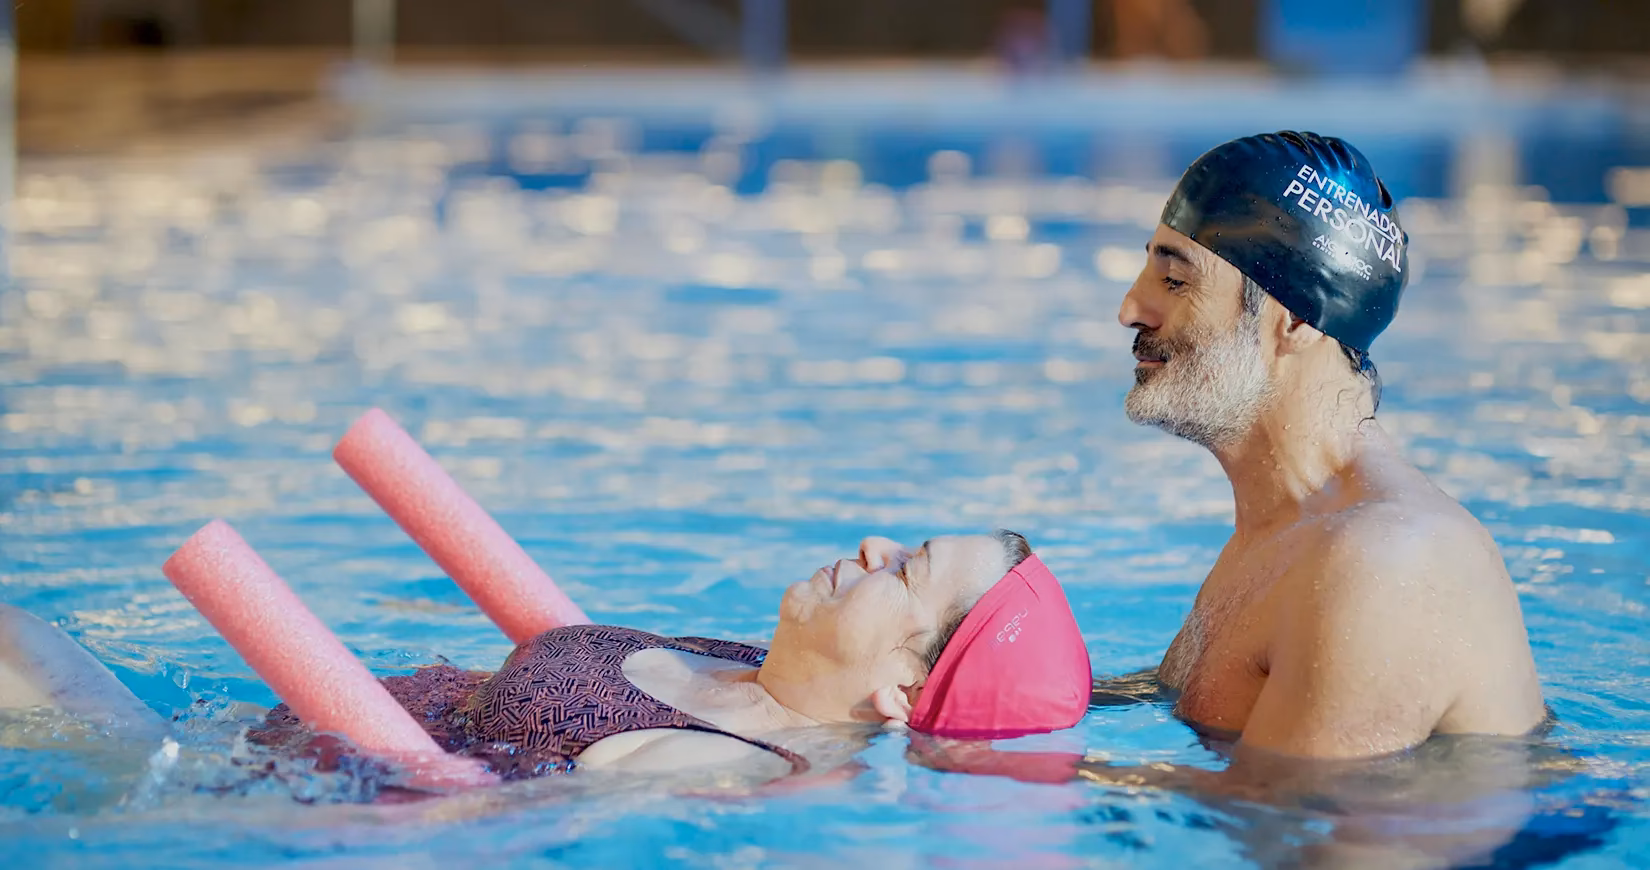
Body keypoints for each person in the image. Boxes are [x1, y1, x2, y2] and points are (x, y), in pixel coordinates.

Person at [0, 530, 1091, 790]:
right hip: (257, 721)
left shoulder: (733, 766)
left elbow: (494, 836)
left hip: (227, 785)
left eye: (908, 570)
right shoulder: (740, 663)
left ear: (903, 690)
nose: (874, 544)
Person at [1113, 130, 1545, 758]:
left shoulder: (1385, 560)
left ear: (1294, 317)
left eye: (1175, 281)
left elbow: (1288, 806)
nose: (1131, 308)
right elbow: (1189, 707)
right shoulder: (1283, 531)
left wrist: (989, 761)